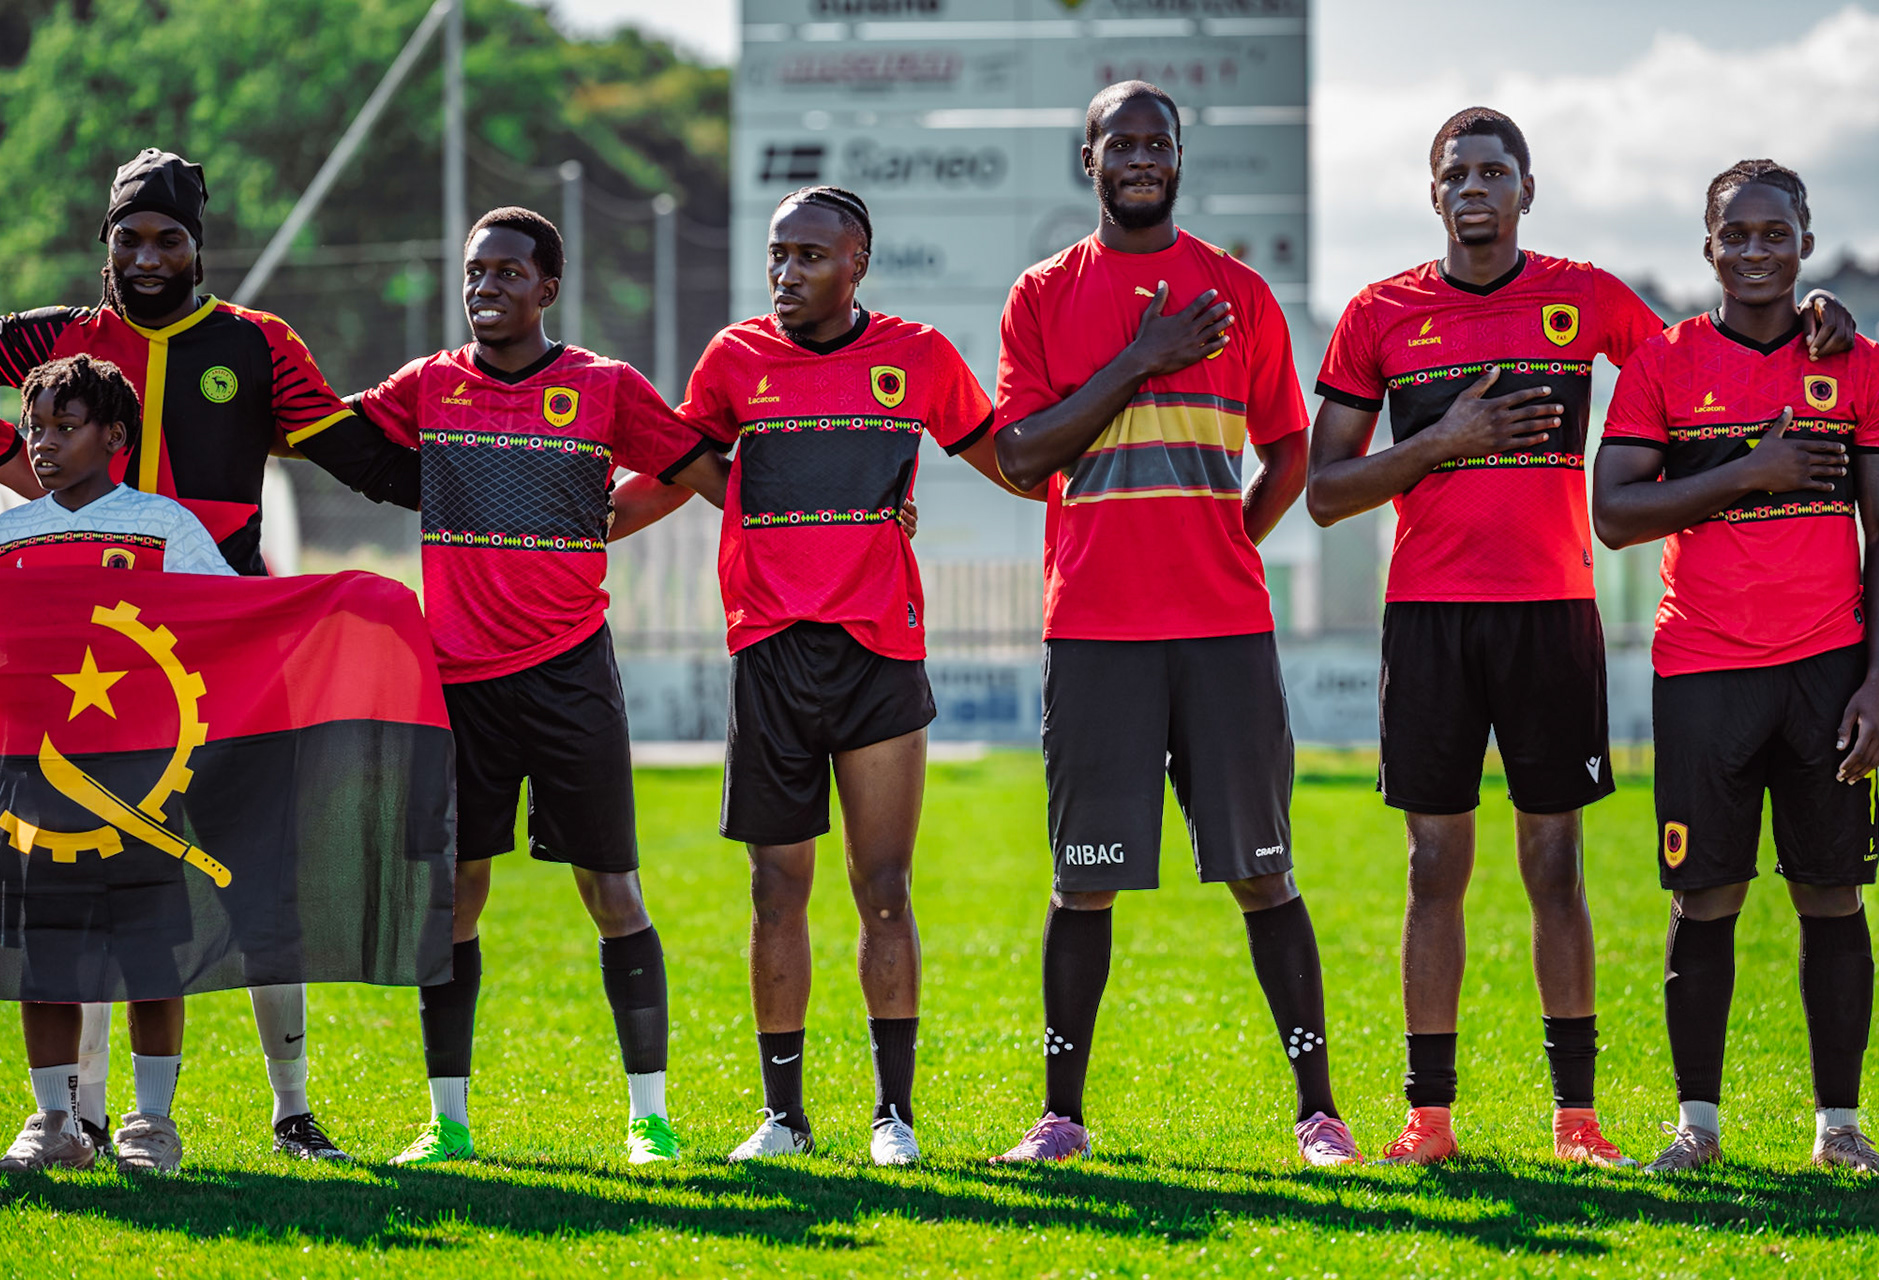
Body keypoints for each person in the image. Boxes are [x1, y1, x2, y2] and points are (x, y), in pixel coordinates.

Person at [1305, 109, 1858, 1166]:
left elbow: (1711, 359)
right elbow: (1326, 492)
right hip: (1427, 618)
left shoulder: (1584, 295)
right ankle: (1428, 1116)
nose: (1474, 186)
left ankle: (1576, 1117)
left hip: (1554, 615)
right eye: (1455, 172)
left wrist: (1808, 311)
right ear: (1433, 192)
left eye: (1494, 171)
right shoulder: (1381, 314)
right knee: (1433, 868)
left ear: (1526, 188)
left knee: (1555, 862)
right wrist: (1444, 444)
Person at [0, 149, 419, 1162]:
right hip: (81, 683)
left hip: (230, 657)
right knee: (83, 874)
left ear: (200, 246)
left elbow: (360, 454)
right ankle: (76, 1114)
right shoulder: (56, 341)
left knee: (258, 878)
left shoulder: (260, 344)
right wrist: (8, 467)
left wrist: (484, 481)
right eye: (132, 237)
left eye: (170, 237)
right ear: (107, 243)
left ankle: (290, 1108)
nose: (150, 255)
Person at [986, 81, 1358, 1167]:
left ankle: (1318, 1112)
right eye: (1122, 142)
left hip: (1221, 629)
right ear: (1086, 158)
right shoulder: (1044, 295)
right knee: (1083, 874)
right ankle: (1061, 1115)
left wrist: (1230, 538)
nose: (1143, 157)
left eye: (1161, 141)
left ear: (1181, 157)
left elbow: (1291, 448)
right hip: (1096, 627)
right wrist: (1140, 359)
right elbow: (1019, 457)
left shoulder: (1239, 292)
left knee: (1262, 870)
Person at [348, 207, 725, 1167]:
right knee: (456, 899)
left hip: (569, 675)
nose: (486, 287)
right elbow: (325, 431)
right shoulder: (429, 385)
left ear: (546, 289)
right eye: (476, 272)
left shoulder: (603, 387)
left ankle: (648, 1119)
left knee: (613, 893)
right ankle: (449, 1124)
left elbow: (698, 473)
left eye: (508, 273)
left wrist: (605, 522)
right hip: (458, 686)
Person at [673, 185, 1031, 1165]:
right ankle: (784, 1117)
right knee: (775, 890)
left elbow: (1013, 460)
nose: (786, 273)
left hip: (880, 650)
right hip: (771, 651)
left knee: (883, 887)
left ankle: (893, 1115)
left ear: (857, 263)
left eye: (809, 256)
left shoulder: (916, 356)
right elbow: (679, 463)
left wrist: (1111, 445)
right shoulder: (733, 359)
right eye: (778, 254)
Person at [1594, 160, 1879, 1174]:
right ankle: (1697, 1127)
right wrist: (1748, 471)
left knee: (1833, 894)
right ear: (1707, 246)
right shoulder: (1665, 362)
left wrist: (1878, 680)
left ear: (1805, 241)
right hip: (1705, 670)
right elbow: (1615, 513)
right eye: (1737, 235)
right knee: (1703, 897)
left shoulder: (1855, 363)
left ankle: (1839, 1126)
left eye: (1776, 233)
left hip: (1830, 669)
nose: (1756, 250)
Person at [0, 354, 235, 1174]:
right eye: (34, 428)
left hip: (147, 778)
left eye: (66, 426)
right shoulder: (5, 534)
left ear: (115, 434)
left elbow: (228, 623)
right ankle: (54, 1120)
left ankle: (150, 1122)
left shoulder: (167, 527)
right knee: (43, 955)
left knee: (151, 954)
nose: (43, 443)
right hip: (32, 781)